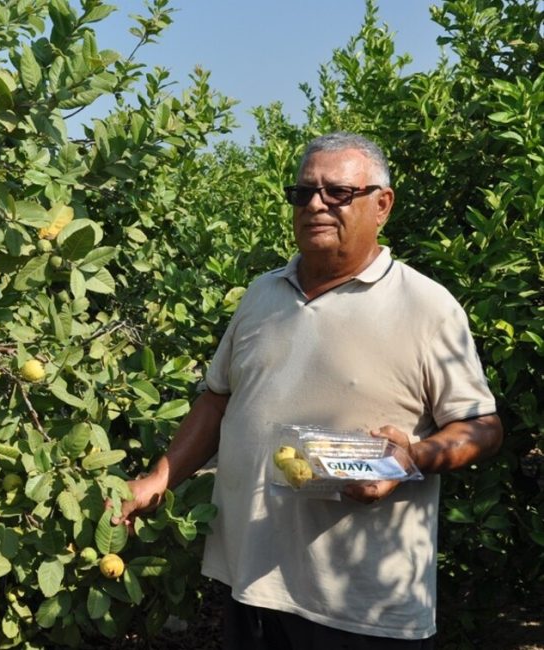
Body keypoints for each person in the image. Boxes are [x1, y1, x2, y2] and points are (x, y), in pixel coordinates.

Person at [118, 132, 503, 648]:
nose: (316, 204)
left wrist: (410, 460)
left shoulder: (426, 307)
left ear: (381, 205)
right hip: (249, 582)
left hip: (359, 604)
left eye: (338, 192)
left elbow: (482, 427)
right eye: (303, 193)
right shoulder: (262, 294)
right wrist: (157, 478)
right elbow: (218, 399)